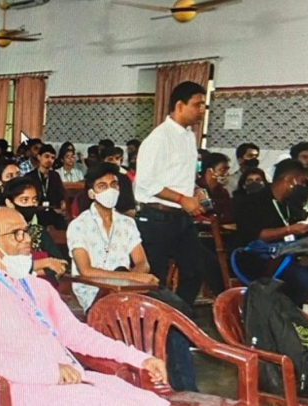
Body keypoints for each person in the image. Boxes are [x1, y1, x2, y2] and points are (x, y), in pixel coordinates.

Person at [0, 207, 168, 406]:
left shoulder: (39, 287)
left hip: (72, 381)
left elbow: (78, 334)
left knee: (150, 401)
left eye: (26, 231)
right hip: (24, 391)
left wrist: (141, 359)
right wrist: (49, 372)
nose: (27, 239)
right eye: (17, 233)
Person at [134, 81, 220, 306]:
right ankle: (154, 326)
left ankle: (178, 317)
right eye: (197, 104)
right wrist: (182, 198)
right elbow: (146, 183)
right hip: (156, 218)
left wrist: (195, 191)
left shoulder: (189, 136)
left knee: (195, 270)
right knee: (155, 279)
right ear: (180, 105)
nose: (202, 110)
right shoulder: (158, 139)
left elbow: (179, 176)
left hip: (181, 218)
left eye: (204, 105)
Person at [232, 159, 308, 305]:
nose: (304, 186)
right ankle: (287, 320)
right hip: (260, 259)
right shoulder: (252, 202)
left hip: (289, 256)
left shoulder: (290, 204)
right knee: (303, 280)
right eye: (302, 182)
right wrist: (290, 229)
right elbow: (256, 235)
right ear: (290, 180)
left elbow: (300, 224)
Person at [68, 163, 157, 310]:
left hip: (125, 290)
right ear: (92, 193)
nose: (110, 190)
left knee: (167, 308)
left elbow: (142, 263)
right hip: (95, 292)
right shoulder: (79, 225)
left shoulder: (127, 223)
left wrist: (129, 282)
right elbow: (86, 271)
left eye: (114, 185)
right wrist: (130, 278)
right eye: (102, 186)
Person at [0, 177, 67, 285]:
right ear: (9, 203)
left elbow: (61, 264)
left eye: (34, 200)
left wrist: (29, 271)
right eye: (24, 200)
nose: (31, 204)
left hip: (41, 290)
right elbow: (2, 267)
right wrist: (45, 263)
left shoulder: (38, 231)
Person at [25, 144, 65, 211]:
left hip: (53, 211)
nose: (50, 160)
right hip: (36, 211)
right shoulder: (29, 176)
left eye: (52, 158)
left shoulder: (55, 176)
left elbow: (61, 196)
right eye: (47, 156)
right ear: (39, 157)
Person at [197, 152, 233, 223]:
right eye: (222, 170)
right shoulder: (196, 189)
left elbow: (228, 216)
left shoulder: (223, 192)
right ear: (209, 171)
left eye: (227, 170)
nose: (227, 174)